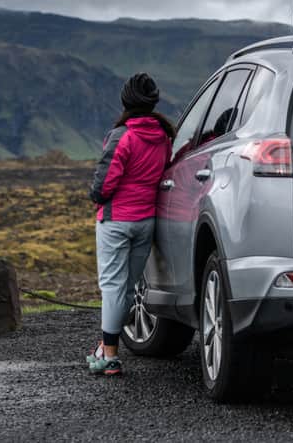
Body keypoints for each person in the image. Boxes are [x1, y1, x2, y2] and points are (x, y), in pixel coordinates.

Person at [85, 73, 174, 376]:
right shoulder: (163, 136)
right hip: (145, 222)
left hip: (115, 221)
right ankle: (104, 346)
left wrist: (95, 197)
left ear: (126, 101)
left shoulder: (122, 135)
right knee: (126, 289)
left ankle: (109, 357)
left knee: (112, 286)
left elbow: (105, 182)